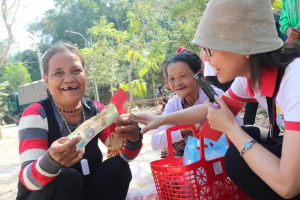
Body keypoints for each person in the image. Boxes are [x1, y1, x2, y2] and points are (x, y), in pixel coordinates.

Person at [137, 0, 300, 199]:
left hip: (290, 182)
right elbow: (213, 109)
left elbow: (288, 185)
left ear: (245, 46)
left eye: (209, 50)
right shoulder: (250, 78)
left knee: (239, 145)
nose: (205, 58)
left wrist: (231, 128)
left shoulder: (294, 79)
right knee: (239, 150)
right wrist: (161, 120)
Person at [16, 42, 143, 200]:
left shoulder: (96, 110)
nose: (69, 79)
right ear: (46, 81)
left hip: (83, 192)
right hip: (42, 195)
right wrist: (51, 160)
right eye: (58, 73)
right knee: (67, 178)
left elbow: (123, 156)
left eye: (76, 70)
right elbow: (29, 181)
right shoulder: (36, 114)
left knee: (119, 168)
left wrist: (134, 139)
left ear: (85, 74)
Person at [151, 52, 242, 158]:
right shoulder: (173, 104)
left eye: (183, 76)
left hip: (223, 155)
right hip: (195, 161)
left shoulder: (215, 96)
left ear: (199, 74)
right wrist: (187, 129)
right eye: (172, 79)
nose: (177, 83)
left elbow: (239, 130)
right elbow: (155, 142)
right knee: (168, 147)